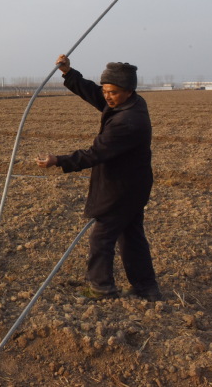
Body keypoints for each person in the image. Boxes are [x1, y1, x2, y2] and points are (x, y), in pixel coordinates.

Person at [35, 55, 162, 301]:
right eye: (105, 90)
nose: (107, 96)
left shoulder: (128, 122)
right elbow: (94, 93)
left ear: (128, 90)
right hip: (134, 185)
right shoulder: (130, 103)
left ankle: (101, 288)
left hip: (122, 188)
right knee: (132, 236)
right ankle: (147, 288)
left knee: (102, 237)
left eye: (112, 92)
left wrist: (57, 160)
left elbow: (95, 154)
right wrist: (68, 72)